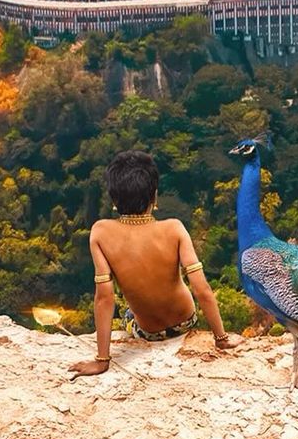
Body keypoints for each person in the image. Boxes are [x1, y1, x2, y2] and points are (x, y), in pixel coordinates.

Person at [70, 149, 235, 376]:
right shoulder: (175, 228)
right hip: (187, 321)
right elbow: (201, 289)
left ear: (114, 200)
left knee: (127, 313)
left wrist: (102, 360)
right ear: (154, 196)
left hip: (148, 332)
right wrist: (221, 339)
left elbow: (105, 298)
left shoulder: (100, 233)